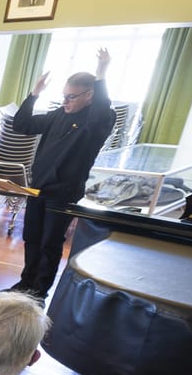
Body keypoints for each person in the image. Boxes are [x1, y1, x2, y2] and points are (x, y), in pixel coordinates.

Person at [7, 48, 114, 298]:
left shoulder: (98, 120)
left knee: (49, 243)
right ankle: (25, 283)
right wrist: (34, 94)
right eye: (64, 96)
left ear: (90, 95)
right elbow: (21, 124)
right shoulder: (58, 114)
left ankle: (39, 291)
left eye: (72, 97)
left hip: (63, 192)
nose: (65, 101)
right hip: (37, 187)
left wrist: (101, 74)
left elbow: (100, 110)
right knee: (32, 237)